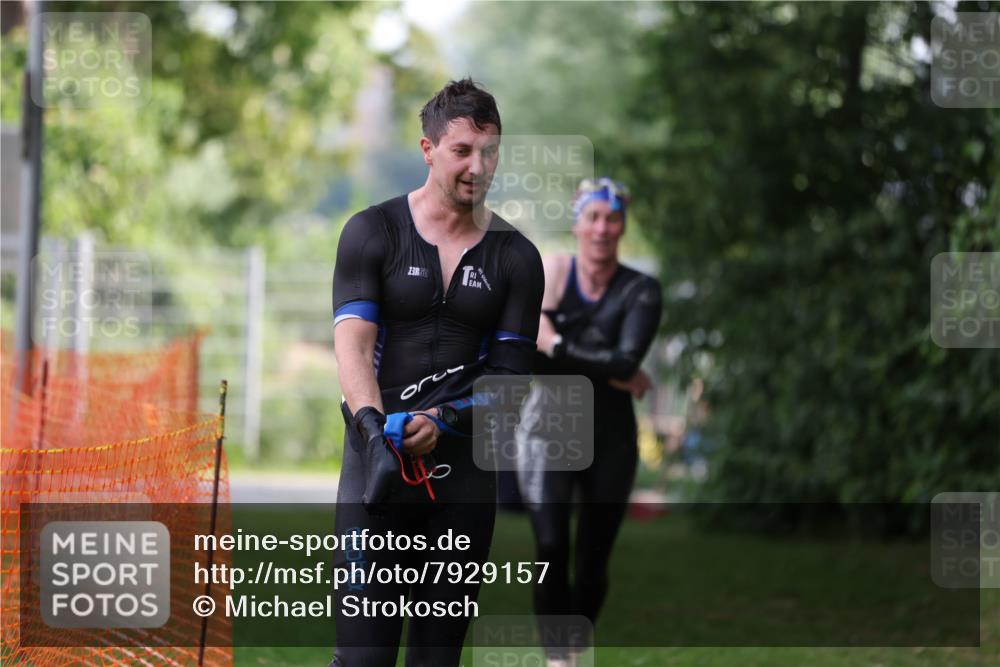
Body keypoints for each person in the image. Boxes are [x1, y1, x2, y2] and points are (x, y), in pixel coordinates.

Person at [329, 79, 544, 667]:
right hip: (375, 468)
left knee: (436, 660)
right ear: (428, 150)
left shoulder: (516, 258)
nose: (479, 166)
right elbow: (353, 346)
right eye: (462, 151)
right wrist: (375, 432)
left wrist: (445, 419)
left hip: (464, 480)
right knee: (363, 659)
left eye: (490, 151)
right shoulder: (373, 232)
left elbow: (512, 380)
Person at [518, 177, 662, 666]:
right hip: (547, 433)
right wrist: (608, 364)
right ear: (578, 223)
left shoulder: (640, 290)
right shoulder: (554, 272)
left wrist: (558, 344)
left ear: (622, 226)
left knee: (593, 559)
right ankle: (558, 659)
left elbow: (625, 364)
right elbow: (529, 356)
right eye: (593, 217)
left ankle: (575, 649)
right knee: (552, 548)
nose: (602, 228)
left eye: (612, 218)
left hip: (611, 439)